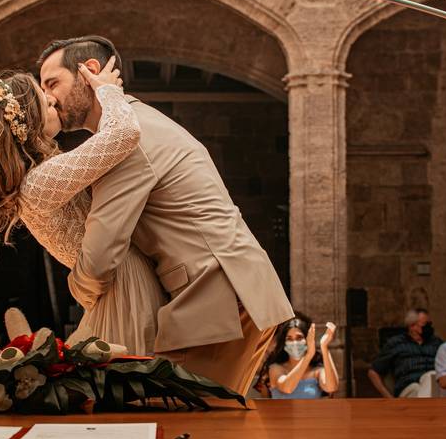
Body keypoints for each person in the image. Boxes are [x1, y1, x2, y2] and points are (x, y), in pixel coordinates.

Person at [39, 36, 294, 393]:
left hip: (220, 296)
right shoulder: (135, 123)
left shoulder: (125, 140)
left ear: (89, 72)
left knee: (183, 421)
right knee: (196, 426)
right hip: (231, 291)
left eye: (53, 83)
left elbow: (99, 257)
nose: (48, 97)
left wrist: (85, 296)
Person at [0, 59, 167, 356]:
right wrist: (108, 91)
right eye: (44, 100)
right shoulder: (39, 183)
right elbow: (123, 135)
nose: (52, 99)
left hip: (116, 286)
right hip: (124, 288)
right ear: (28, 122)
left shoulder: (37, 179)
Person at [368, 308, 442, 398]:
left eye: (430, 324)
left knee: (431, 377)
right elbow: (373, 372)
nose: (429, 328)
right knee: (417, 388)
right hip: (409, 388)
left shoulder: (436, 342)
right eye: (425, 325)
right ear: (412, 326)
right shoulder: (396, 343)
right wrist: (389, 398)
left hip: (435, 387)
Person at [262, 318, 339, 399]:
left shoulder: (317, 371)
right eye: (289, 339)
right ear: (284, 343)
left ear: (307, 340)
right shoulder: (275, 369)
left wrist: (324, 346)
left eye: (299, 338)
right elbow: (287, 388)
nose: (295, 342)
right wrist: (309, 355)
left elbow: (332, 387)